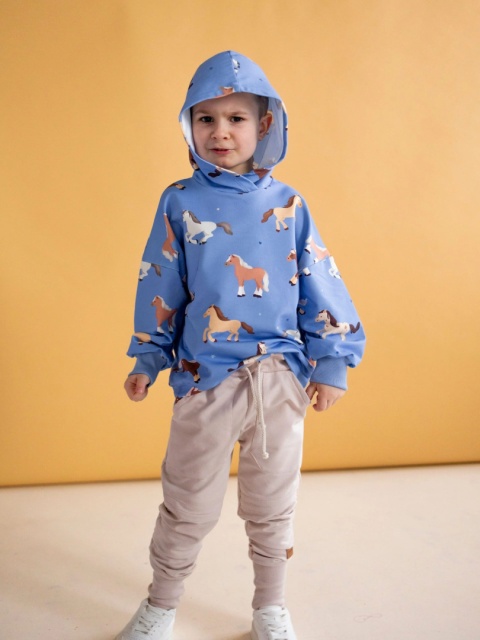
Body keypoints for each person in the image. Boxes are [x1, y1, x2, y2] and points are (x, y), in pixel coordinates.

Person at [116, 51, 365, 640]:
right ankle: (161, 606)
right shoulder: (179, 201)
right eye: (205, 119)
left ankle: (269, 609)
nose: (221, 132)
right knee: (186, 504)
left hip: (279, 379)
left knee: (273, 507)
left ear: (264, 125)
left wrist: (331, 363)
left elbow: (319, 279)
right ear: (189, 126)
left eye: (236, 119)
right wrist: (148, 356)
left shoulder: (289, 204)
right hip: (204, 380)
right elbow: (161, 280)